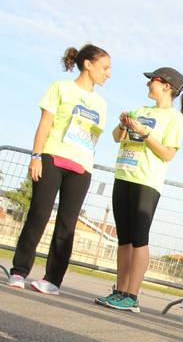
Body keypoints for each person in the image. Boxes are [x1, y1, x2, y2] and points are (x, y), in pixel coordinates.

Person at [7, 44, 111, 294]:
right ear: (88, 64)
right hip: (52, 158)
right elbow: (45, 124)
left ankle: (52, 280)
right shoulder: (60, 88)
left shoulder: (101, 103)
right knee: (39, 215)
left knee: (67, 225)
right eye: (105, 68)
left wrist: (87, 165)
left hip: (82, 168)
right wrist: (36, 156)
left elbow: (92, 138)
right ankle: (19, 271)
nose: (108, 73)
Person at [95, 67, 183, 313]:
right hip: (124, 175)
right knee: (124, 239)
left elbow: (167, 154)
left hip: (146, 181)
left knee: (139, 239)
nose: (148, 84)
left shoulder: (174, 118)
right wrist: (123, 125)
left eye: (152, 80)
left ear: (166, 86)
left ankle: (132, 295)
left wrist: (145, 133)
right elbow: (116, 137)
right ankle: (119, 291)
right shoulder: (139, 111)